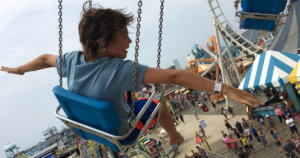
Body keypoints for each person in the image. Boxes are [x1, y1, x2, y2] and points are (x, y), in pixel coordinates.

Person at [0, 3, 263, 149]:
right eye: (124, 35)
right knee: (159, 105)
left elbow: (46, 58)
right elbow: (176, 77)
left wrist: (19, 69)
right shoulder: (120, 70)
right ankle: (173, 136)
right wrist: (224, 88)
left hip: (89, 125)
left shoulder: (71, 60)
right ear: (104, 43)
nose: (129, 41)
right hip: (121, 130)